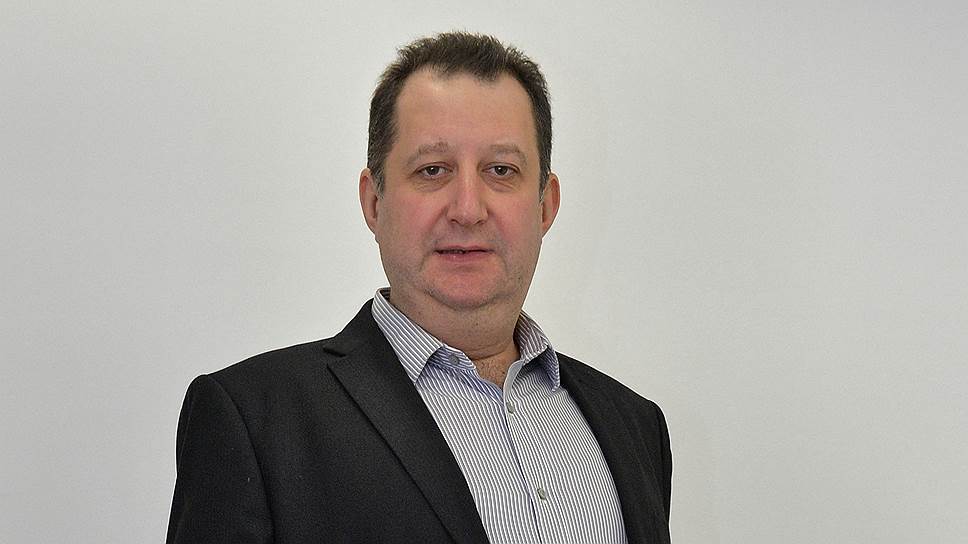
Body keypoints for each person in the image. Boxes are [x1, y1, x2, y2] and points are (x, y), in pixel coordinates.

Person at [166, 32, 672, 544]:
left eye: (501, 170)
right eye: (432, 170)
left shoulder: (636, 428)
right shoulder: (255, 422)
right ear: (374, 202)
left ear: (545, 206)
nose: (468, 209)